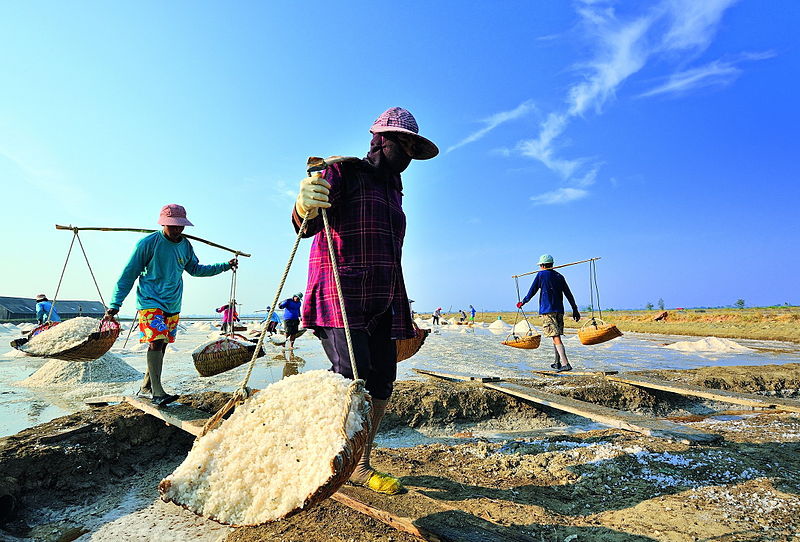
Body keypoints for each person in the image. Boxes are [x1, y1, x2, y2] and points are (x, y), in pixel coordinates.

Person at [292, 106, 438, 495]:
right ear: (381, 140)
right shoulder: (345, 171)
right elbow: (305, 225)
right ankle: (330, 458)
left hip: (384, 297)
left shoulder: (394, 189)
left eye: (412, 146)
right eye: (401, 142)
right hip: (342, 294)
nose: (406, 152)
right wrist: (303, 203)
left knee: (382, 382)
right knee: (349, 380)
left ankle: (360, 463)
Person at [104, 204, 237, 406]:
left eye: (180, 226)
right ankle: (157, 393)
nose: (177, 230)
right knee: (156, 340)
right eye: (172, 226)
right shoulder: (148, 244)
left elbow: (195, 269)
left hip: (172, 303)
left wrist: (224, 266)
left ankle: (147, 387)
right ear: (163, 223)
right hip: (150, 301)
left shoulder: (185, 246)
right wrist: (115, 304)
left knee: (162, 344)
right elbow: (128, 275)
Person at [517, 254, 580, 372]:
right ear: (552, 264)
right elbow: (568, 294)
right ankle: (557, 362)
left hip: (547, 311)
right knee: (556, 336)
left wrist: (523, 302)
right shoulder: (559, 276)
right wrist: (575, 309)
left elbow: (532, 291)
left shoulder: (541, 275)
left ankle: (566, 363)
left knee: (555, 336)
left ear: (542, 265)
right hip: (559, 311)